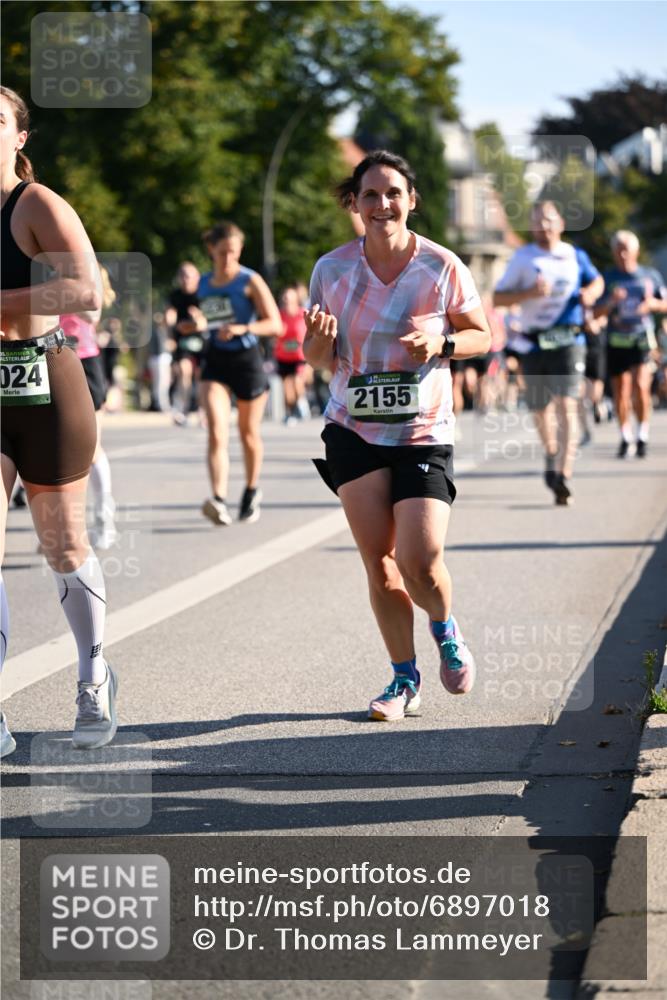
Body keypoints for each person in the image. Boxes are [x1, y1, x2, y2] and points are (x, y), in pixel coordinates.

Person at [305, 150, 490, 722]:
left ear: (411, 200)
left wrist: (442, 345)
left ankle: (445, 626)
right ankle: (402, 679)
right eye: (370, 195)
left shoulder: (441, 266)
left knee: (422, 559)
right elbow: (319, 361)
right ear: (353, 203)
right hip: (353, 428)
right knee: (380, 563)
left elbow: (483, 335)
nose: (382, 204)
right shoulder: (331, 270)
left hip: (421, 429)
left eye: (393, 194)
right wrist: (316, 339)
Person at [0, 86, 116, 757]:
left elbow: (88, 292)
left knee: (63, 547)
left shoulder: (35, 204)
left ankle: (93, 675)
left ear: (20, 137)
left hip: (44, 383)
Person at [493, 201, 603, 506]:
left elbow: (596, 281)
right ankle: (551, 452)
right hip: (534, 343)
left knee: (567, 403)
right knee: (540, 409)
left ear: (561, 223)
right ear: (531, 226)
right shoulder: (522, 258)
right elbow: (498, 298)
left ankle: (563, 474)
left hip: (569, 338)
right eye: (538, 222)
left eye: (549, 221)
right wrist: (528, 294)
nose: (544, 227)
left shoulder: (574, 256)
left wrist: (590, 294)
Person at [197, 221, 282, 526]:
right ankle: (218, 498)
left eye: (233, 252)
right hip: (216, 360)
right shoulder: (204, 283)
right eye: (222, 253)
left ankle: (250, 489)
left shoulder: (250, 280)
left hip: (247, 360)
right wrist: (193, 325)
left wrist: (245, 328)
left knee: (248, 433)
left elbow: (275, 324)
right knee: (217, 429)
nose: (228, 258)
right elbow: (206, 320)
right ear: (211, 250)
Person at [594, 230, 667, 458]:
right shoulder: (607, 278)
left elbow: (664, 304)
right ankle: (625, 436)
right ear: (614, 253)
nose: (623, 254)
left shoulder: (649, 275)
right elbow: (595, 311)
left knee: (641, 386)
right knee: (621, 391)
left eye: (627, 249)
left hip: (641, 337)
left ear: (636, 251)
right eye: (619, 250)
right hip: (616, 339)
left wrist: (651, 305)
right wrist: (611, 302)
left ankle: (642, 435)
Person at [165, 261, 203, 425]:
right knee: (184, 371)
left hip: (203, 339)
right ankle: (184, 409)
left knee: (202, 376)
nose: (186, 279)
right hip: (183, 340)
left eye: (189, 275)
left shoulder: (203, 293)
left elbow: (209, 318)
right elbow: (170, 315)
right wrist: (169, 325)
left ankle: (203, 411)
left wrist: (199, 317)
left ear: (197, 277)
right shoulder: (175, 295)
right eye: (183, 276)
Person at [276, 285, 309, 424]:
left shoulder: (303, 314)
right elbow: (275, 332)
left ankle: (301, 401)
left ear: (296, 299)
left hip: (299, 357)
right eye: (285, 297)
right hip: (283, 356)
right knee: (287, 390)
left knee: (297, 382)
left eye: (289, 297)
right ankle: (291, 413)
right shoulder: (279, 315)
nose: (286, 300)